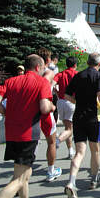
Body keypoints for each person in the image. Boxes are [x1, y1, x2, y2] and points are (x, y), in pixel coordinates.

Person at [0, 54, 55, 198]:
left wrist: (5, 112)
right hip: (28, 134)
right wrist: (53, 106)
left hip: (11, 133)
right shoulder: (42, 82)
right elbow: (45, 108)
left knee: (23, 175)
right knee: (19, 179)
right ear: (38, 67)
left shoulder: (11, 81)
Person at [64, 53, 100, 198]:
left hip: (78, 117)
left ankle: (71, 182)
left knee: (79, 152)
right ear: (99, 63)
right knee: (95, 150)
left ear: (88, 62)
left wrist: (76, 100)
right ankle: (94, 179)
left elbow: (66, 95)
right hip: (94, 118)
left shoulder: (78, 75)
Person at [37, 47, 62, 182]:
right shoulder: (49, 73)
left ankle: (22, 175)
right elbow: (46, 87)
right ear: (48, 60)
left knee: (32, 144)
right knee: (51, 142)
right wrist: (51, 105)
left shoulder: (31, 74)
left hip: (30, 111)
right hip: (46, 109)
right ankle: (51, 171)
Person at [53, 56, 78, 159]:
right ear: (75, 65)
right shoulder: (76, 74)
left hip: (61, 101)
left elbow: (52, 84)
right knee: (70, 129)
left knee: (68, 127)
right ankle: (58, 140)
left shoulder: (60, 74)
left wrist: (57, 92)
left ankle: (70, 151)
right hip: (71, 101)